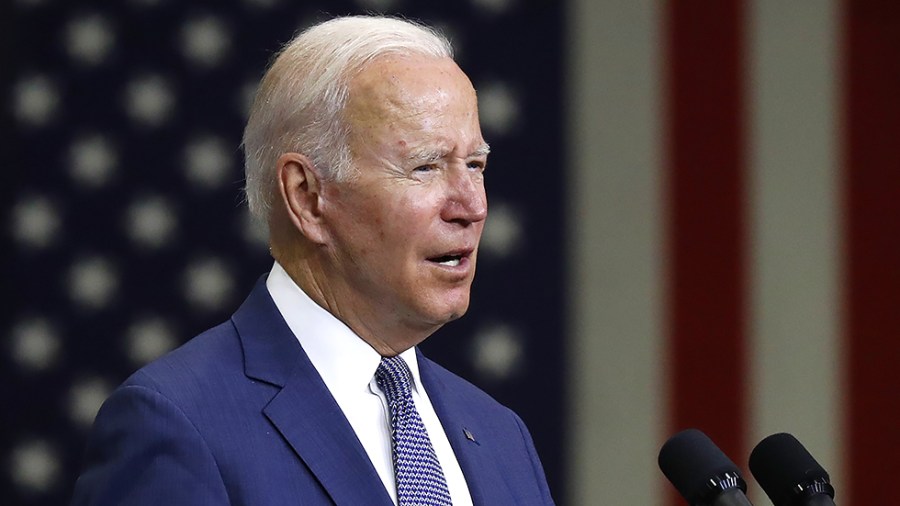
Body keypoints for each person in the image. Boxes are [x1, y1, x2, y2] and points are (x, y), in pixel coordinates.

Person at [71, 15, 554, 505]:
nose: (471, 207)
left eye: (475, 165)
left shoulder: (501, 436)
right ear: (306, 196)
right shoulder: (178, 424)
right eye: (425, 167)